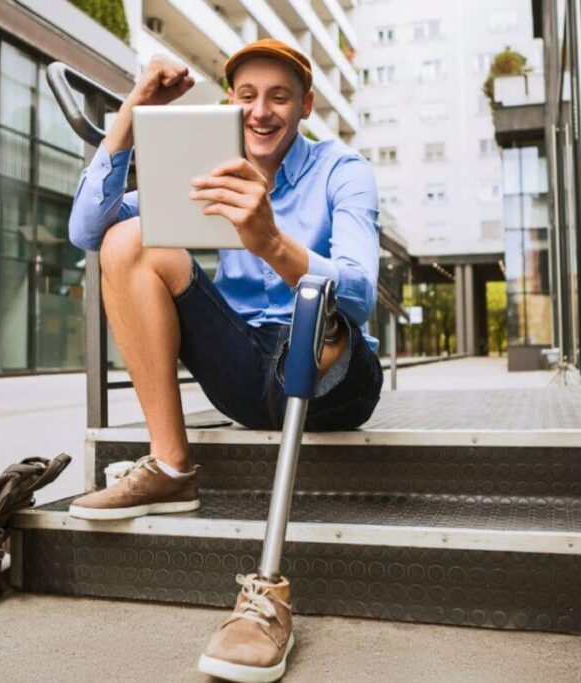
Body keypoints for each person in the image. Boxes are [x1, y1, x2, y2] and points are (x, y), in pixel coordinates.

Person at [66, 39, 382, 682]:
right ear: (230, 104)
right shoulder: (205, 167)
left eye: (279, 97)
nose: (262, 111)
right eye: (247, 96)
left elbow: (361, 292)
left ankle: (266, 594)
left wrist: (272, 243)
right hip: (244, 364)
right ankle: (172, 465)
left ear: (305, 106)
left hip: (334, 365)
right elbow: (86, 231)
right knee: (129, 240)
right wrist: (131, 111)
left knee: (319, 313)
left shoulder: (340, 169)